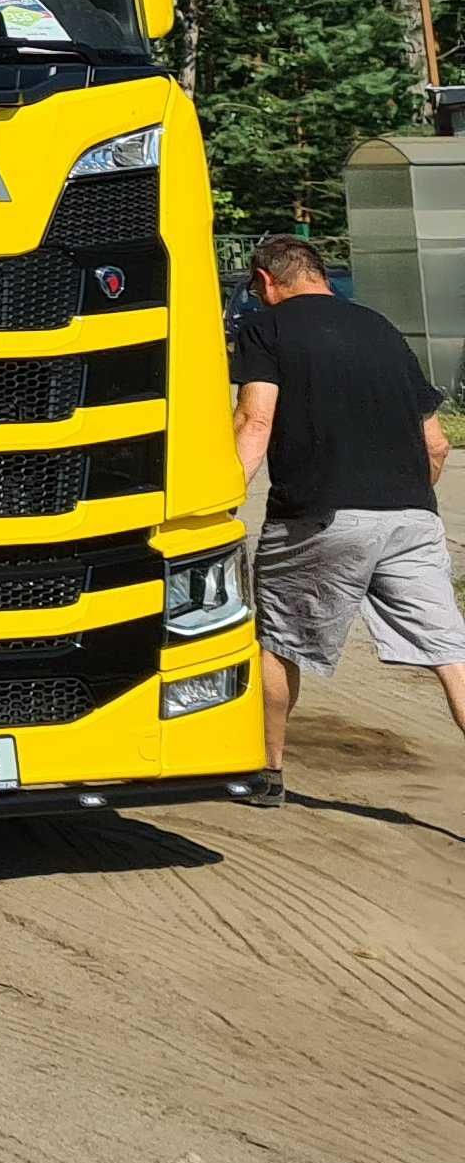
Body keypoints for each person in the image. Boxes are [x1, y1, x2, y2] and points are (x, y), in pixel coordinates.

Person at [232, 233, 463, 781]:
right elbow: (436, 444)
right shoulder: (381, 329)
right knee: (452, 656)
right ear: (321, 275)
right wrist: (408, 498)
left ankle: (269, 771)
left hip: (319, 517)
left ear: (266, 281)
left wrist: (224, 503)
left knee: (280, 640)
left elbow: (255, 422)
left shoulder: (265, 328)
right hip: (413, 518)